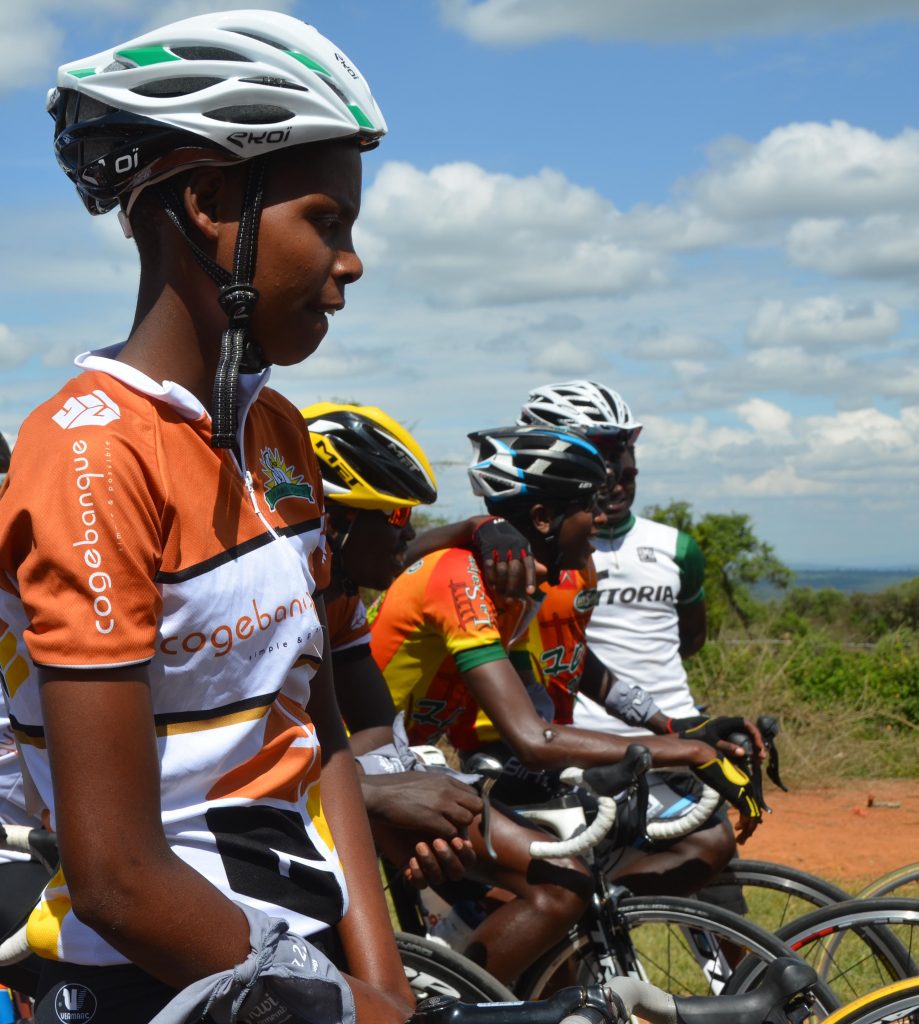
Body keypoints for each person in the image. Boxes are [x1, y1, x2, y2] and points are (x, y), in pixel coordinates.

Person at [0, 12, 411, 1024]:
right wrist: (347, 1010)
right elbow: (118, 875)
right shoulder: (91, 453)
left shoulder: (274, 431)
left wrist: (382, 981)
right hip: (157, 979)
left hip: (303, 963)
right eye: (327, 220)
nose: (351, 262)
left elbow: (316, 740)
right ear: (210, 200)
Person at [370, 425, 761, 869]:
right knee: (556, 893)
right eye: (588, 505)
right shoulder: (462, 575)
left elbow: (543, 697)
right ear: (542, 519)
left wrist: (672, 728)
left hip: (404, 759)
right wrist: (689, 751)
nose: (600, 517)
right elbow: (533, 738)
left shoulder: (519, 589)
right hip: (370, 765)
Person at [303, 402, 593, 987]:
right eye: (394, 517)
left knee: (562, 880)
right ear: (335, 523)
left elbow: (373, 725)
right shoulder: (278, 604)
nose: (409, 535)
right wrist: (376, 799)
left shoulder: (341, 597)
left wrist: (387, 794)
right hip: (266, 812)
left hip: (355, 778)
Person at [517, 380, 763, 892]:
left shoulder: (673, 548)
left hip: (669, 732)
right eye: (602, 461)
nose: (614, 476)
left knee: (716, 882)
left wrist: (672, 722)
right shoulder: (530, 558)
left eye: (624, 462)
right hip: (576, 747)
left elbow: (679, 641)